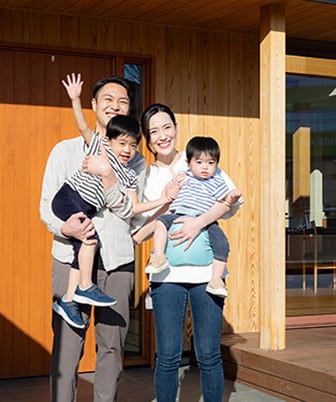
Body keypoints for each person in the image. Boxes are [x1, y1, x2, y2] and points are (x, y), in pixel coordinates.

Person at [40, 75, 143, 402]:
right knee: (67, 344)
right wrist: (66, 228)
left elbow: (131, 210)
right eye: (108, 99)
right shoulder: (65, 150)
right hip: (68, 257)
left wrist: (109, 176)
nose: (115, 106)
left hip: (117, 260)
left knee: (112, 345)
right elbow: (47, 206)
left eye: (123, 101)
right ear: (94, 104)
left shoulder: (134, 158)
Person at [131, 103, 243, 402]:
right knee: (168, 355)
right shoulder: (145, 177)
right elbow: (139, 234)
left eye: (167, 127)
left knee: (208, 354)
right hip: (167, 276)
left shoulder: (199, 158)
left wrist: (198, 222)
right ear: (147, 139)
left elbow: (231, 203)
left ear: (176, 128)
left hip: (207, 273)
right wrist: (165, 201)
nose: (162, 136)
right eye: (154, 131)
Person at [51, 74, 161, 329]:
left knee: (84, 245)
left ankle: (70, 298)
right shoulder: (97, 146)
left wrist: (161, 200)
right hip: (70, 199)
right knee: (87, 237)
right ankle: (84, 287)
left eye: (132, 145)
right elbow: (81, 125)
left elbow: (131, 207)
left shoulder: (132, 168)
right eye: (108, 99)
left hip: (114, 253)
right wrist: (75, 99)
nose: (127, 149)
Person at [144, 136, 242, 298]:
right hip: (178, 213)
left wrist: (232, 197)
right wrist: (171, 188)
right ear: (188, 162)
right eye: (199, 162)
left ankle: (216, 279)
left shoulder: (216, 181)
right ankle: (159, 257)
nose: (205, 167)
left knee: (222, 243)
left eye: (210, 163)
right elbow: (170, 190)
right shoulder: (183, 176)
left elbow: (225, 201)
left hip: (203, 217)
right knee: (160, 223)